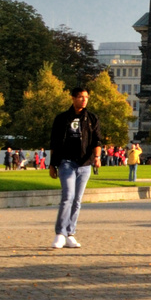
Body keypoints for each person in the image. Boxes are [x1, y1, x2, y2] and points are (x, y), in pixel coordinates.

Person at [48, 83, 101, 249]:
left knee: (77, 200)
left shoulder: (92, 119)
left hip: (84, 164)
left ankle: (70, 233)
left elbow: (97, 140)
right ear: (73, 98)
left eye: (86, 97)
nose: (84, 100)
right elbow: (54, 143)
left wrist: (97, 157)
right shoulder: (62, 118)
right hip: (66, 162)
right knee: (67, 197)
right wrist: (52, 164)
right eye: (81, 97)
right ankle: (60, 233)